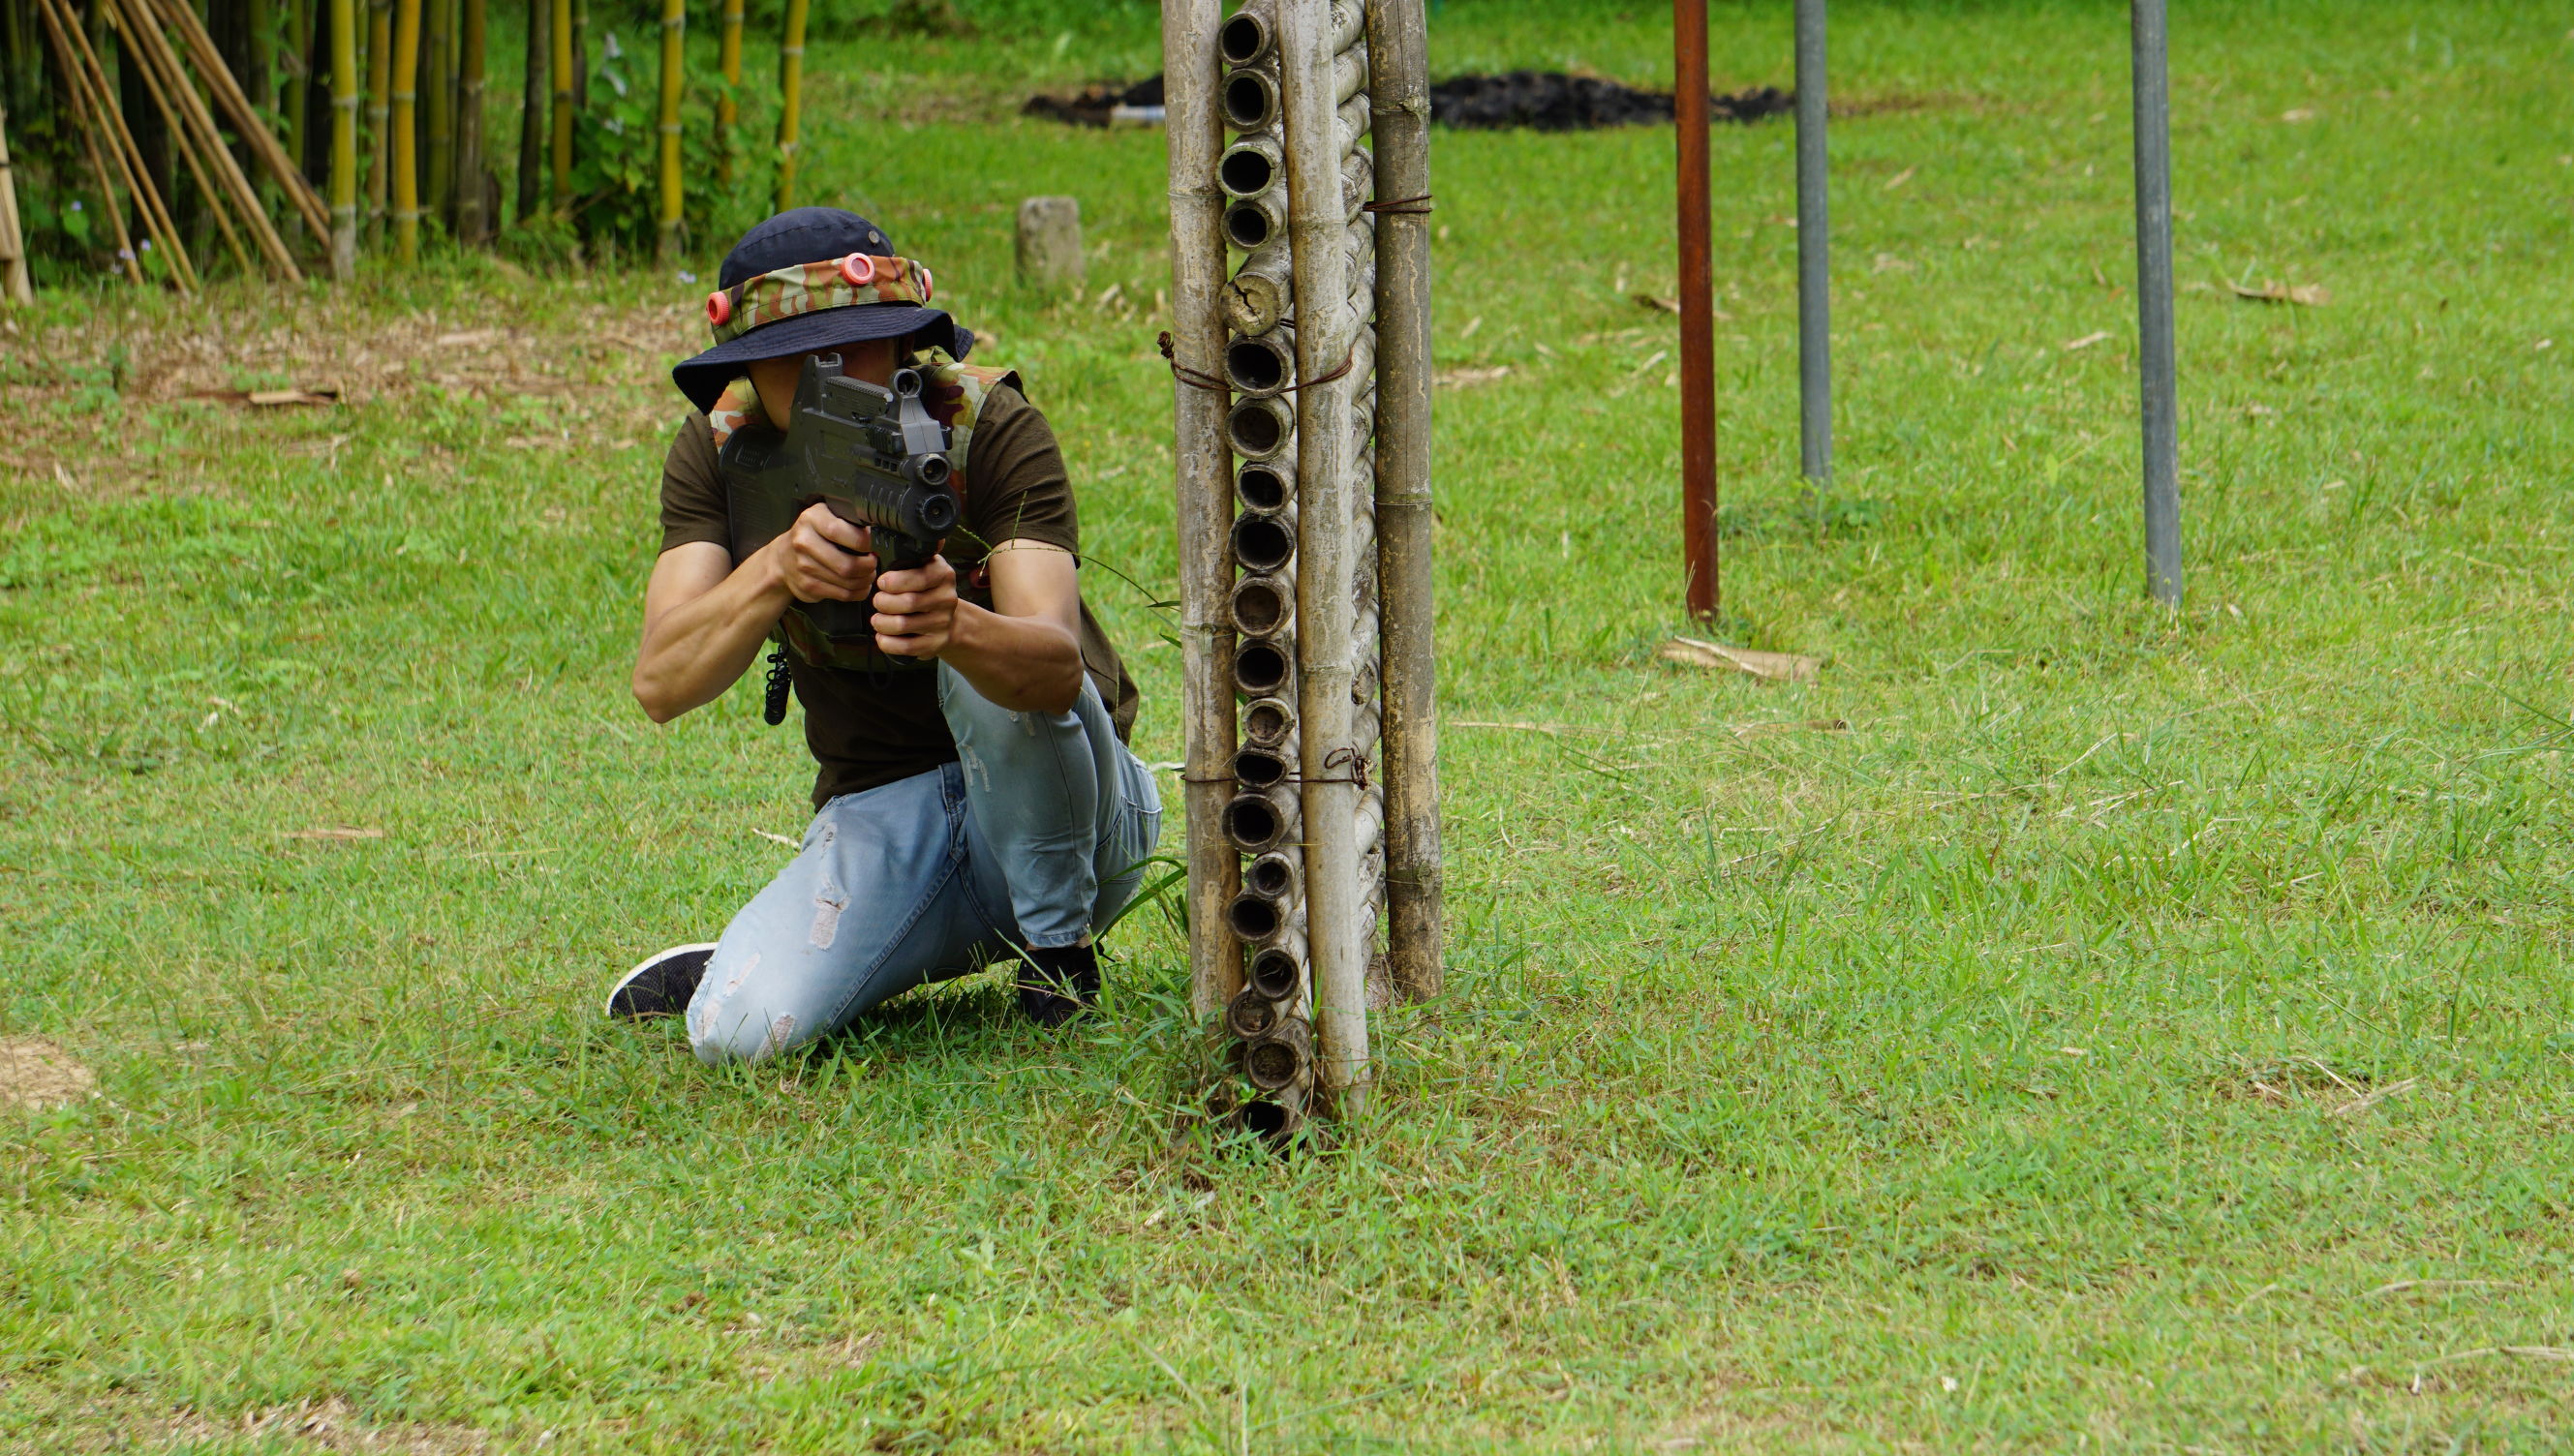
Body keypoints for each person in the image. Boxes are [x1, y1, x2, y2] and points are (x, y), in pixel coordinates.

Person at [602, 207, 1158, 1062]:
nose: (833, 376)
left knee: (989, 671)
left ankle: (1058, 964)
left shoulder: (989, 427)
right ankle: (767, 960)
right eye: (797, 357)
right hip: (891, 819)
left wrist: (957, 626)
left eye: (858, 343)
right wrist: (774, 570)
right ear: (749, 368)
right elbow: (661, 683)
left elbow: (1053, 670)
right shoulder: (723, 447)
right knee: (737, 1033)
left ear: (907, 344)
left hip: (1087, 822)